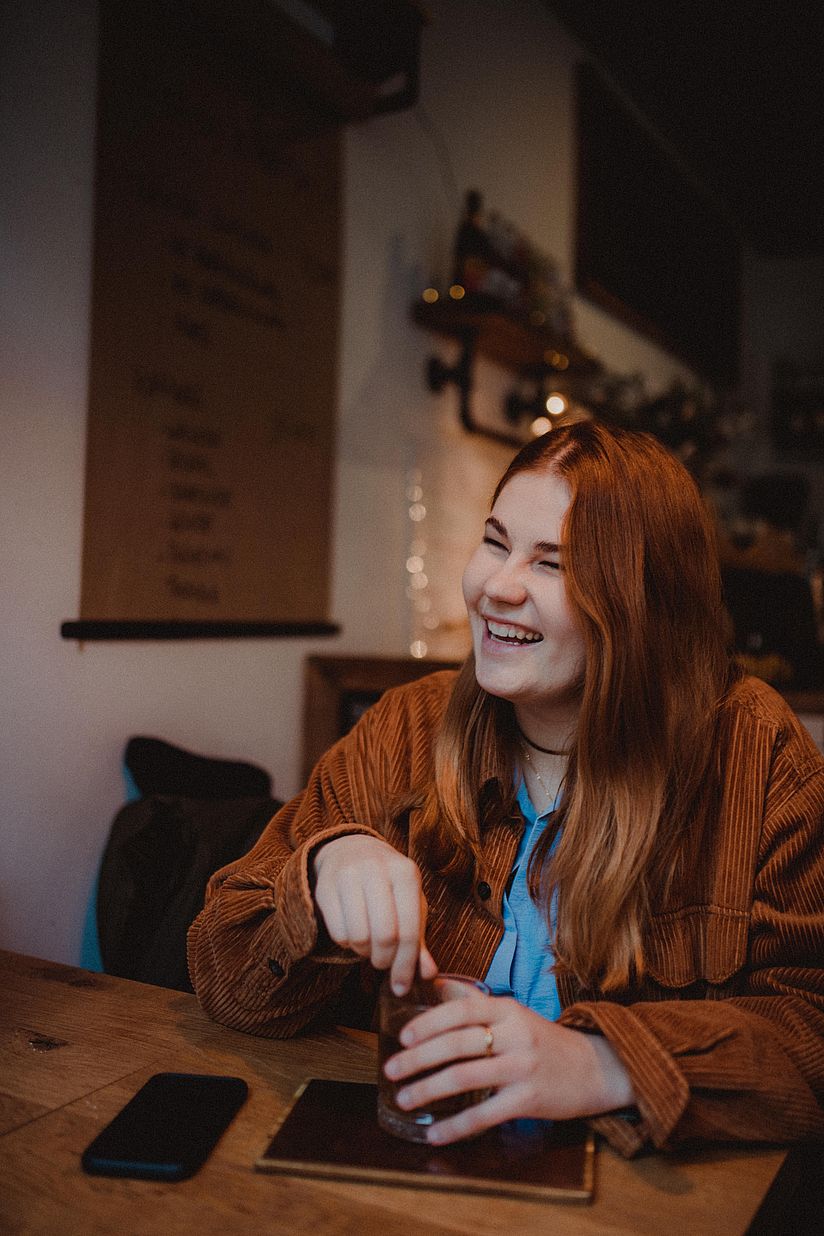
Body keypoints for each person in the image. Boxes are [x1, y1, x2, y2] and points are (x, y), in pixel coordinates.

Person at [188, 421, 824, 1158]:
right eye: (496, 542)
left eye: (553, 565)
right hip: (402, 1168)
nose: (497, 586)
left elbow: (810, 1028)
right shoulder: (406, 726)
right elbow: (223, 980)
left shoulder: (755, 751)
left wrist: (606, 1064)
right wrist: (325, 873)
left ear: (646, 605)